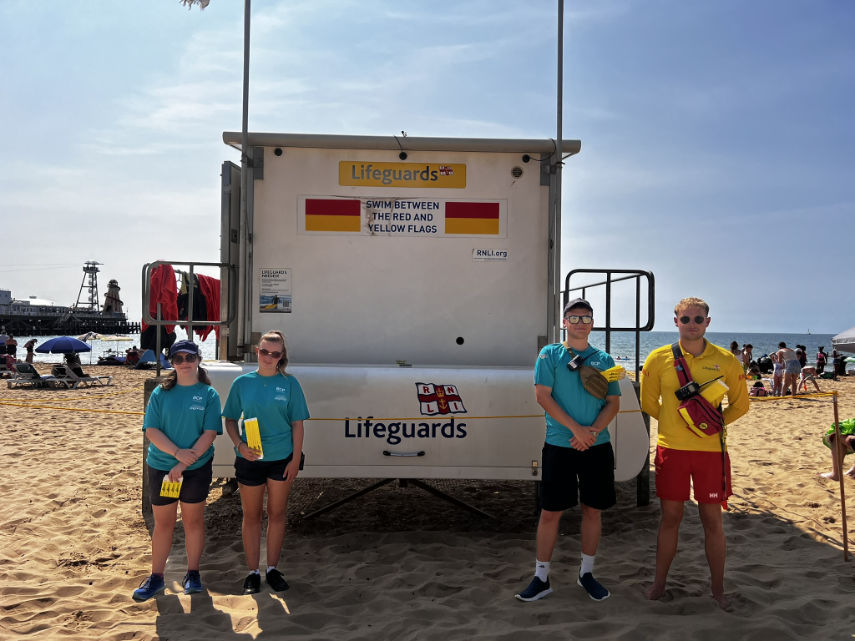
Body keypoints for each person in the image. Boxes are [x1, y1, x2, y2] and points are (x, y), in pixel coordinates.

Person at [640, 297, 749, 609]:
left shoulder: (726, 360)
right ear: (675, 321)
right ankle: (659, 584)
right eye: (685, 319)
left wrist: (711, 425)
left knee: (712, 519)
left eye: (698, 319)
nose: (691, 324)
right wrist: (677, 423)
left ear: (707, 322)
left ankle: (718, 589)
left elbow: (741, 405)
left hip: (711, 453)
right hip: (671, 449)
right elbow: (648, 403)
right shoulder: (657, 358)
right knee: (670, 517)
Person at [515, 298, 621, 603]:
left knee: (592, 510)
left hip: (597, 446)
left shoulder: (607, 360)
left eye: (586, 318)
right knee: (550, 512)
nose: (580, 323)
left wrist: (592, 432)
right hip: (560, 445)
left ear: (592, 323)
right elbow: (542, 396)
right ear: (564, 322)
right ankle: (541, 578)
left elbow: (614, 403)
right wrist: (577, 430)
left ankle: (586, 574)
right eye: (574, 318)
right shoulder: (549, 354)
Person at [133, 340, 222, 601]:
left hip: (195, 468)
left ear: (198, 360)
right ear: (172, 363)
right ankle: (156, 577)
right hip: (163, 468)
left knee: (193, 522)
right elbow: (151, 430)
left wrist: (182, 464)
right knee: (164, 524)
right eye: (179, 358)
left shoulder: (209, 395)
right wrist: (176, 455)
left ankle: (192, 574)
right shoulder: (161, 393)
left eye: (189, 357)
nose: (185, 363)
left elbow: (209, 434)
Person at [223, 330, 309, 595]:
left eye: (275, 353)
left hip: (281, 459)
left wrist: (295, 459)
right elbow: (229, 420)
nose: (268, 357)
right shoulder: (242, 383)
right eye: (264, 351)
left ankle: (272, 569)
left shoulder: (290, 383)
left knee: (277, 514)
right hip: (249, 459)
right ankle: (253, 572)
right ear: (257, 351)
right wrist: (239, 445)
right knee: (251, 516)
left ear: (281, 356)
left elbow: (298, 425)